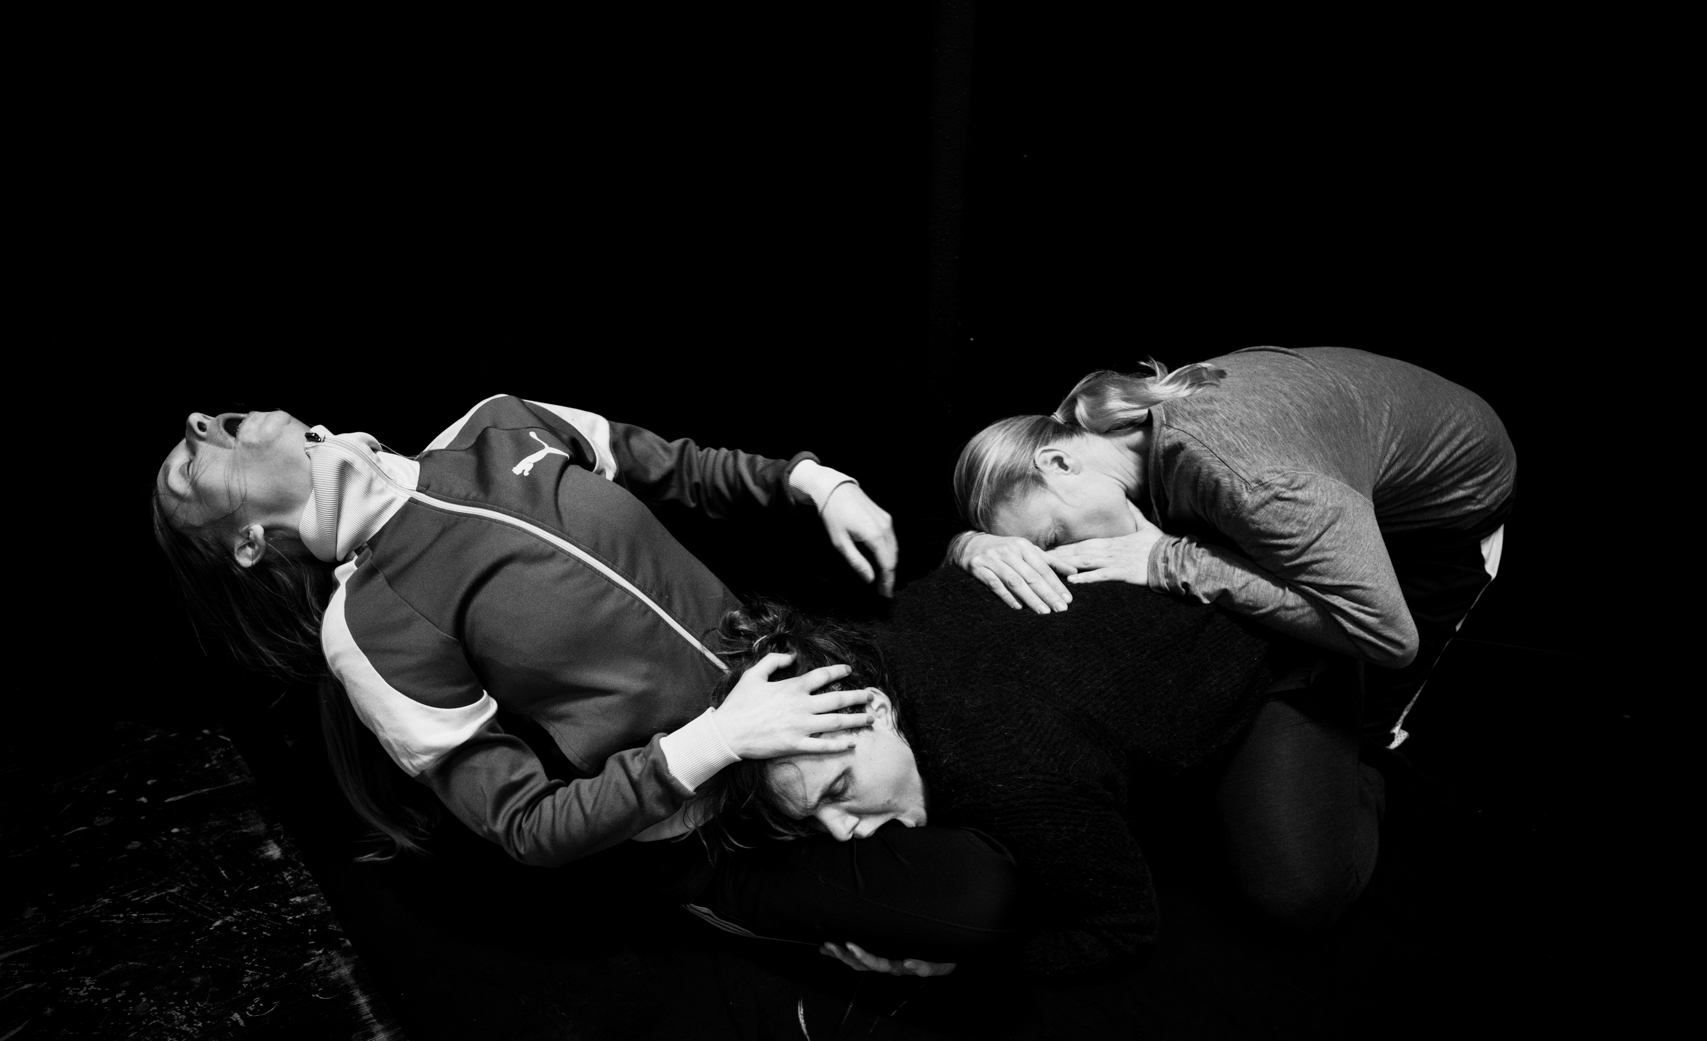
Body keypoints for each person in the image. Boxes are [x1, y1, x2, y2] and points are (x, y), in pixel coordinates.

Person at [151, 395, 902, 864]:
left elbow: (678, 467)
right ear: (247, 545)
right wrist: (719, 739)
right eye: (186, 470)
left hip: (822, 713)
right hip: (710, 840)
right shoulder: (365, 628)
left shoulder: (496, 424)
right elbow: (525, 824)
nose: (197, 421)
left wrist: (813, 483)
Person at [687, 567, 1380, 980]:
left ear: (873, 709)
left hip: (1283, 652)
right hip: (1167, 626)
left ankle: (1366, 757)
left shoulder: (1008, 775)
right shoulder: (881, 636)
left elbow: (1120, 930)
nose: (842, 832)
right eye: (813, 819)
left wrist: (964, 967)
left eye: (838, 790)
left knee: (1297, 896)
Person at [948, 346, 1516, 753]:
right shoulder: (1099, 431)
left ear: (1058, 462)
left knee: (1370, 725)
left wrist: (1173, 561)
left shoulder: (1258, 486)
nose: (1063, 556)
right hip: (1338, 465)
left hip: (1446, 514)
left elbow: (1389, 638)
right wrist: (968, 545)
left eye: (1052, 540)